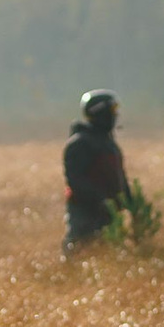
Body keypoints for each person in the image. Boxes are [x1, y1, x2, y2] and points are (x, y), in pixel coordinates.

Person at [62, 89, 130, 253]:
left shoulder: (107, 142)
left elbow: (120, 177)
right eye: (112, 111)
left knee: (109, 251)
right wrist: (101, 200)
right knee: (80, 249)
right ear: (101, 112)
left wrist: (130, 201)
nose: (115, 116)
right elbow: (75, 180)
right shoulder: (80, 144)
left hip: (108, 212)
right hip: (86, 212)